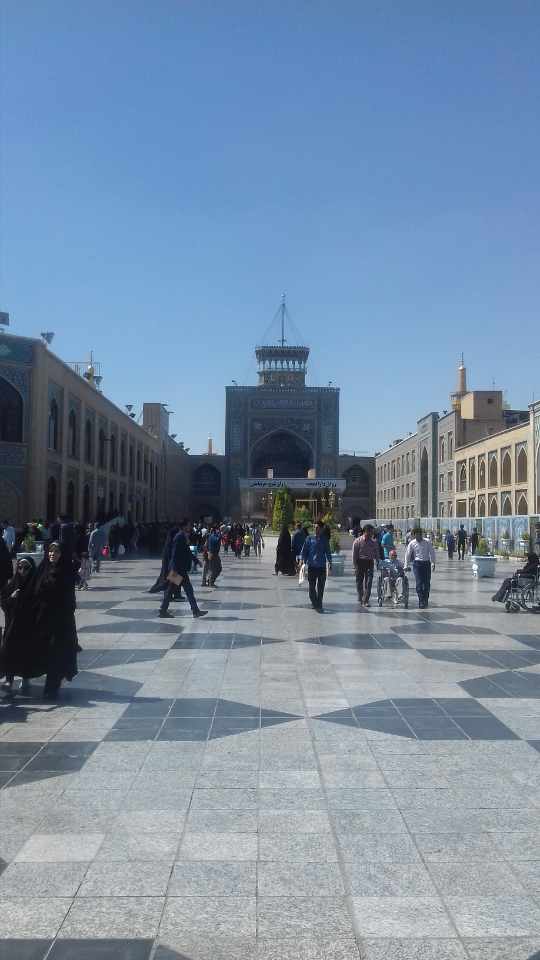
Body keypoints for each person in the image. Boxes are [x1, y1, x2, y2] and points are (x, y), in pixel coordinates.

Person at [35, 541, 80, 699]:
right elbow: (35, 590)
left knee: (56, 652)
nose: (52, 554)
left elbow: (67, 599)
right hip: (44, 620)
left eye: (56, 551)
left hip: (61, 622)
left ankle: (51, 687)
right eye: (50, 550)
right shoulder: (44, 569)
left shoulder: (66, 572)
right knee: (45, 653)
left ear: (63, 554)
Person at [0, 557, 40, 694]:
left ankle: (26, 678)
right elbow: (3, 600)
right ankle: (9, 680)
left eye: (26, 568)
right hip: (12, 626)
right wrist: (11, 598)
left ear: (31, 569)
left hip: (28, 627)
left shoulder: (34, 585)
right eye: (20, 567)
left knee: (26, 653)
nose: (22, 570)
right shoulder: (13, 584)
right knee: (9, 651)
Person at [159, 519, 208, 620]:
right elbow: (175, 553)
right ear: (184, 526)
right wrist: (174, 568)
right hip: (178, 570)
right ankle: (195, 611)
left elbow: (187, 552)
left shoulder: (182, 536)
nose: (190, 527)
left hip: (179, 569)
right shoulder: (179, 537)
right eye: (188, 525)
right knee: (188, 590)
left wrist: (196, 561)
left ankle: (163, 610)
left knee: (171, 590)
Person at [300, 520, 332, 612]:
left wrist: (330, 563)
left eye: (317, 528)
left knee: (321, 587)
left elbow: (328, 552)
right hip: (312, 566)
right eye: (315, 528)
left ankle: (319, 604)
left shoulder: (324, 540)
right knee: (311, 587)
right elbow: (303, 550)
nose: (315, 530)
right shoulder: (309, 539)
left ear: (321, 529)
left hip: (321, 566)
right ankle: (315, 602)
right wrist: (301, 561)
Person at [404, 528, 436, 609]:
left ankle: (425, 598)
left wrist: (433, 563)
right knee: (419, 583)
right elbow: (408, 554)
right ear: (414, 535)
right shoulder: (412, 543)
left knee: (426, 583)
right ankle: (421, 601)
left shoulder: (427, 542)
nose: (418, 537)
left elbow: (432, 552)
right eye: (416, 535)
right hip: (417, 564)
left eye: (419, 535)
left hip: (426, 563)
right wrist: (406, 565)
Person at [352, 524, 379, 607]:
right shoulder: (357, 541)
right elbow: (354, 555)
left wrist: (377, 561)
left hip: (369, 562)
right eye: (371, 531)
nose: (373, 533)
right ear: (366, 531)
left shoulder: (373, 542)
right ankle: (360, 596)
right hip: (360, 562)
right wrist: (354, 566)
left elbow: (376, 552)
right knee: (359, 581)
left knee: (369, 581)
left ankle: (366, 600)